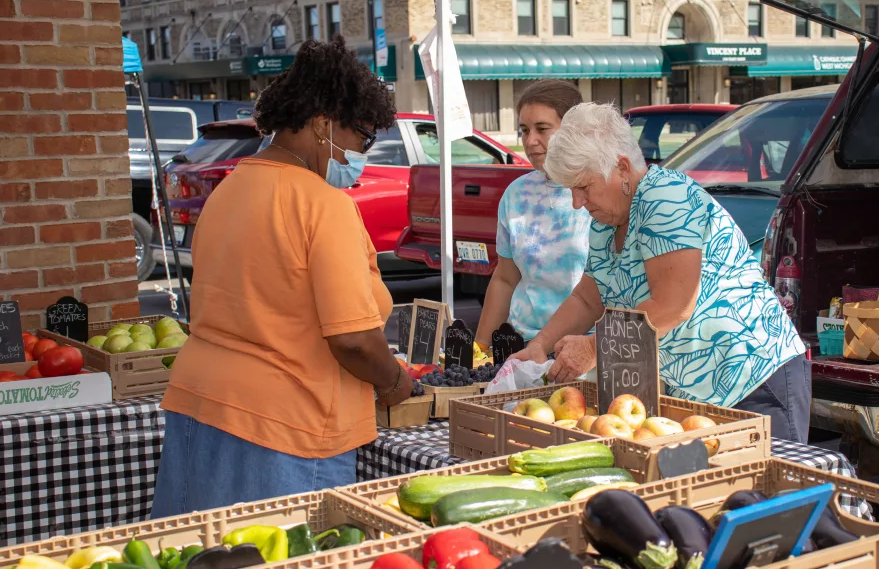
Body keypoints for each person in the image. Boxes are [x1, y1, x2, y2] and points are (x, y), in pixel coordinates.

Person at [151, 37, 413, 518]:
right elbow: (353, 338)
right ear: (322, 125)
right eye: (364, 137)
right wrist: (395, 381)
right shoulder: (324, 204)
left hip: (200, 406)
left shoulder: (228, 191)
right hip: (286, 426)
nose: (365, 153)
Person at [510, 103, 810, 442]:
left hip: (751, 377)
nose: (577, 202)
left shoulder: (665, 196)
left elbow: (673, 304)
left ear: (622, 168)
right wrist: (540, 345)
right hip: (696, 392)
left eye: (583, 186)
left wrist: (594, 348)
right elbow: (587, 298)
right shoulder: (606, 221)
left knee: (768, 490)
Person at [474, 80, 591, 349]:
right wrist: (478, 349)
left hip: (583, 348)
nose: (530, 141)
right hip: (523, 346)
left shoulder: (598, 192)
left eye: (542, 129)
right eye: (524, 130)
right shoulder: (516, 194)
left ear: (574, 130)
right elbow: (505, 279)